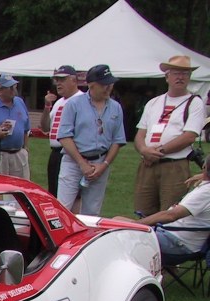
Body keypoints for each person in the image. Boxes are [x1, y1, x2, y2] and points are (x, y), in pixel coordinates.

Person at [133, 55, 207, 216]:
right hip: (148, 164)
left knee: (169, 212)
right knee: (143, 211)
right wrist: (144, 151)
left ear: (189, 77)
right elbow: (140, 134)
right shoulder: (153, 102)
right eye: (176, 73)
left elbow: (189, 136)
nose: (180, 77)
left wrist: (157, 152)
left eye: (185, 73)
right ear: (167, 76)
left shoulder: (194, 102)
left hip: (174, 165)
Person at [56, 64, 127, 216]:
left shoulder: (116, 107)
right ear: (91, 85)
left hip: (100, 162)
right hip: (73, 162)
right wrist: (82, 163)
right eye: (104, 85)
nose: (108, 88)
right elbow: (64, 136)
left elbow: (118, 140)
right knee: (63, 208)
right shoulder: (74, 104)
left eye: (110, 84)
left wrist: (104, 164)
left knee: (92, 212)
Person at [128, 155, 210, 269]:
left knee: (118, 234)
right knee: (117, 222)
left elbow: (171, 215)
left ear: (205, 167)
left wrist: (136, 225)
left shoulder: (205, 193)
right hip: (173, 235)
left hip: (176, 243)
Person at [40, 65, 81, 196]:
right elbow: (46, 128)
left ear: (73, 80)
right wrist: (47, 106)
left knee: (69, 194)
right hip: (55, 152)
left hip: (70, 152)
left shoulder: (81, 100)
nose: (58, 83)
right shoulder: (59, 102)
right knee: (54, 192)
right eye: (56, 80)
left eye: (62, 79)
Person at [0, 74, 30, 179]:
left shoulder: (20, 102)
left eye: (14, 86)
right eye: (10, 87)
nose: (14, 90)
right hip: (1, 154)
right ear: (0, 91)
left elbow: (26, 127)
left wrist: (25, 148)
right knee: (2, 187)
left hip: (19, 153)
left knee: (21, 187)